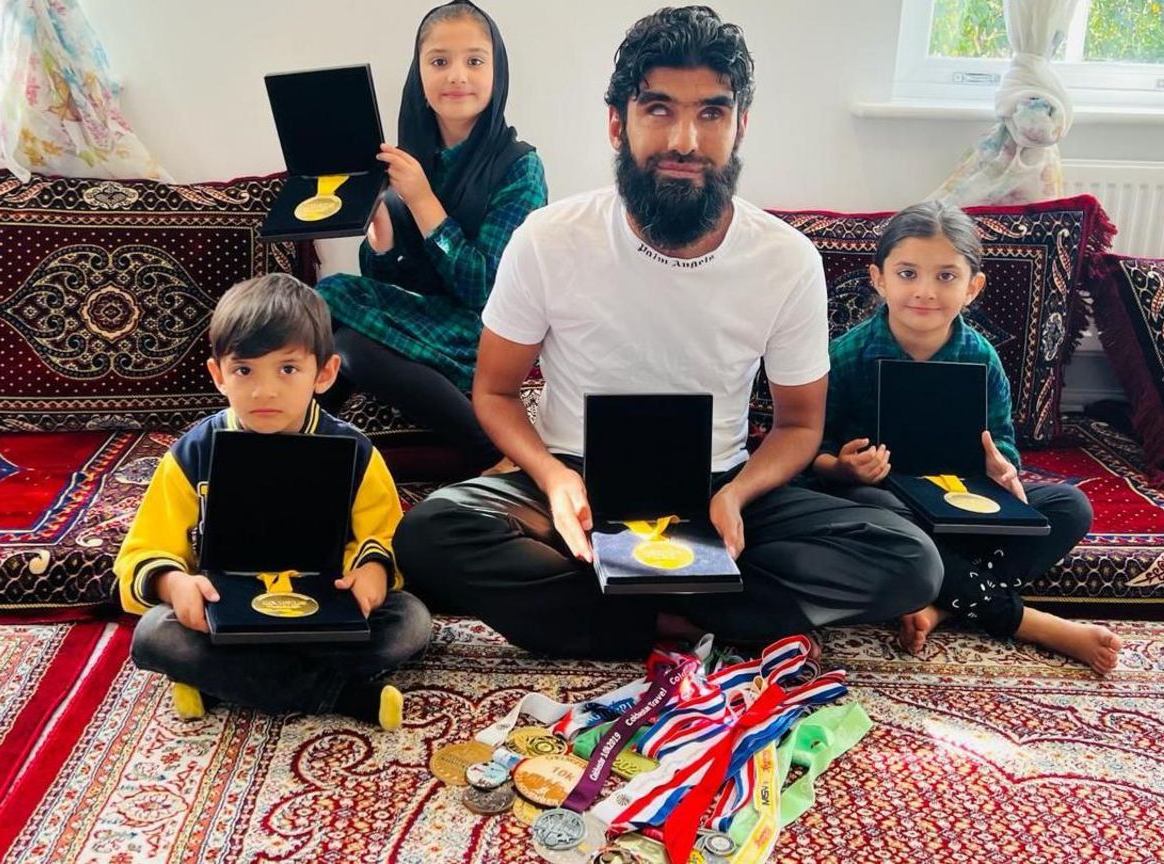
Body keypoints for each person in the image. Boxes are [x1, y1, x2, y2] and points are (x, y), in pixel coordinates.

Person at [393, 6, 942, 659]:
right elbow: (496, 391)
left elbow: (799, 425)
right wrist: (551, 476)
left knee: (910, 560)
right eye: (658, 109)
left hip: (716, 484)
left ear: (740, 126)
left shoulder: (787, 258)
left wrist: (738, 495)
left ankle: (615, 609)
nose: (685, 138)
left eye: (711, 113)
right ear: (616, 124)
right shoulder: (548, 239)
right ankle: (694, 622)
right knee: (431, 533)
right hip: (577, 476)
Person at [812, 201, 1120, 674]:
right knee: (884, 519)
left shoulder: (981, 359)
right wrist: (842, 466)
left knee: (1070, 507)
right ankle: (1029, 622)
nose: (925, 292)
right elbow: (812, 449)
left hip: (959, 503)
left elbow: (1000, 443)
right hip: (883, 505)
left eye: (946, 276)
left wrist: (1003, 470)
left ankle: (942, 605)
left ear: (973, 286)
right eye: (908, 273)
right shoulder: (848, 355)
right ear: (879, 279)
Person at [114, 274, 432, 725]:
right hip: (227, 614)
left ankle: (222, 680)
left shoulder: (356, 451)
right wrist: (174, 585)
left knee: (410, 622)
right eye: (244, 370)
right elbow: (143, 551)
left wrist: (374, 571)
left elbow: (384, 534)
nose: (265, 391)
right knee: (154, 637)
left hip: (324, 612)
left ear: (324, 373)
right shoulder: (193, 452)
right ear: (218, 374)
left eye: (287, 369)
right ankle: (343, 696)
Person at [315, 0, 547, 471]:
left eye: (474, 61)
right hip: (426, 313)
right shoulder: (411, 155)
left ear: (497, 73)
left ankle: (496, 453)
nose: (456, 75)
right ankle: (293, 443)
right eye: (439, 61)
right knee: (322, 303)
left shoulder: (520, 167)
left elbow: (485, 287)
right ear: (419, 74)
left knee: (352, 345)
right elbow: (389, 275)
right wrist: (381, 223)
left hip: (487, 329)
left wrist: (422, 201)